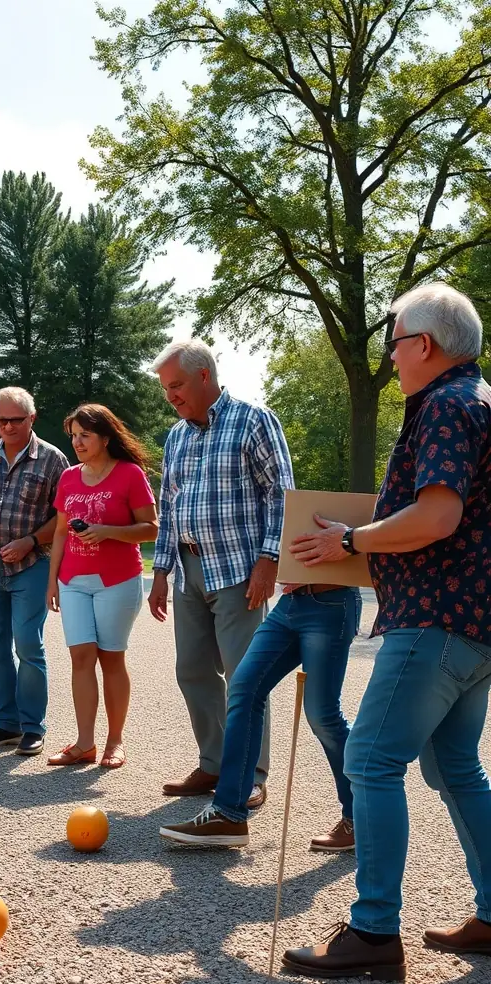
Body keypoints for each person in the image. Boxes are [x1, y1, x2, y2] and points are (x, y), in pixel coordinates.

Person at [283, 283, 491, 981]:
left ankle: (373, 934)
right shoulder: (481, 402)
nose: (392, 358)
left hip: (433, 621)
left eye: (395, 342)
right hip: (475, 624)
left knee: (369, 760)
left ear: (424, 345)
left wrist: (352, 540)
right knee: (456, 769)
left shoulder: (441, 407)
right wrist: (350, 553)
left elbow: (436, 519)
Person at [148, 340, 294, 804]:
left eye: (176, 386)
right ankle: (214, 765)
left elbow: (282, 495)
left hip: (239, 571)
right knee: (192, 669)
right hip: (190, 571)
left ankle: (250, 775)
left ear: (204, 376)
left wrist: (270, 559)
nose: (170, 396)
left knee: (244, 676)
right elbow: (168, 508)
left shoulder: (254, 419)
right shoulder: (177, 436)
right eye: (165, 389)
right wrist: (160, 572)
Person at [159, 582, 361, 847]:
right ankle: (228, 814)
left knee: (322, 716)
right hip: (291, 602)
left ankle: (361, 818)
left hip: (333, 602)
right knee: (243, 689)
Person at [0, 387, 69, 757]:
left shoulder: (52, 459)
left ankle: (33, 727)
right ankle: (7, 723)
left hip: (30, 566)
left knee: (28, 644)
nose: (6, 426)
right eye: (0, 420)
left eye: (15, 420)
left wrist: (32, 541)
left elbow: (64, 519)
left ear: (31, 419)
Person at [46, 404, 158, 769]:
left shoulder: (130, 474)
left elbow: (150, 528)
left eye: (85, 435)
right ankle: (84, 743)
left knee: (111, 658)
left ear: (105, 438)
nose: (77, 442)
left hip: (118, 580)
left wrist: (107, 532)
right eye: (74, 436)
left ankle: (114, 741)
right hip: (73, 581)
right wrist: (53, 580)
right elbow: (61, 531)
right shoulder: (68, 477)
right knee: (80, 657)